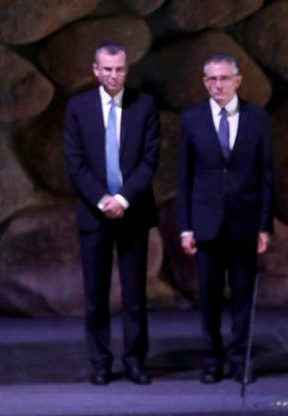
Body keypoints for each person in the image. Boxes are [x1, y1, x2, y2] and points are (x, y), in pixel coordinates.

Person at [63, 42, 160, 386]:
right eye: (107, 69)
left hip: (132, 211)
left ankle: (135, 361)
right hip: (94, 212)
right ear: (95, 70)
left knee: (134, 295)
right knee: (95, 296)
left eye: (119, 69)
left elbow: (149, 161)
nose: (114, 75)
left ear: (126, 69)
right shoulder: (78, 107)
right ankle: (100, 362)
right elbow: (75, 163)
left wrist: (122, 198)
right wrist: (103, 199)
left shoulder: (144, 105)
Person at [176, 54, 275, 384]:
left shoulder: (257, 118)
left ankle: (239, 360)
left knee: (243, 297)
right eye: (210, 79)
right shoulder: (192, 119)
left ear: (237, 79)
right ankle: (212, 360)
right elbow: (184, 177)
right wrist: (185, 227)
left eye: (223, 78)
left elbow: (266, 176)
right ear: (205, 82)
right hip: (205, 223)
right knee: (209, 297)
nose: (217, 84)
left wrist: (265, 225)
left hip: (245, 223)